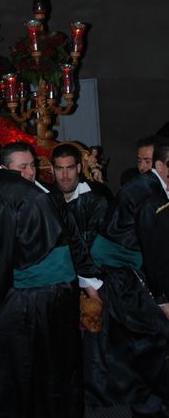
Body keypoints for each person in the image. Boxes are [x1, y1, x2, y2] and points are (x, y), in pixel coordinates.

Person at [0, 136, 89, 418]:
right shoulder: (20, 187)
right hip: (60, 292)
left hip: (32, 299)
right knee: (58, 370)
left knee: (16, 375)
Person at [88, 140, 169, 417]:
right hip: (126, 277)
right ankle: (148, 404)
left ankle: (146, 402)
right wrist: (162, 299)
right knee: (151, 339)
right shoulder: (150, 195)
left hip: (123, 275)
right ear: (161, 166)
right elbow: (154, 250)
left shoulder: (148, 187)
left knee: (137, 342)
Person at [51, 143, 111, 248]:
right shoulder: (44, 199)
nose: (65, 175)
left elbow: (101, 246)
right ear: (52, 170)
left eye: (70, 168)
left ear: (78, 168)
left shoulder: (97, 198)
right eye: (59, 168)